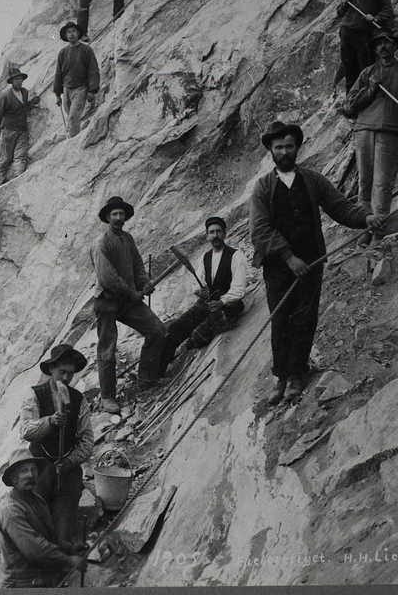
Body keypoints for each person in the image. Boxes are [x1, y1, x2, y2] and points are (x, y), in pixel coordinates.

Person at [249, 122, 385, 405]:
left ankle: (297, 374)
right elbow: (259, 230)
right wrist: (288, 257)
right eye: (278, 147)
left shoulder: (312, 179)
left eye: (289, 146)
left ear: (297, 147)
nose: (284, 152)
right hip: (278, 266)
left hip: (311, 261)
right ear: (270, 152)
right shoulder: (263, 187)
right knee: (281, 318)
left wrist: (365, 219)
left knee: (305, 317)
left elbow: (340, 206)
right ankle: (281, 376)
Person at [341, 30, 398, 240]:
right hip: (364, 130)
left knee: (382, 182)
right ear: (374, 48)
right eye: (378, 43)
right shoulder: (367, 74)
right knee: (365, 181)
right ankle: (365, 228)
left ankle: (379, 230)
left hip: (389, 131)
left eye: (387, 42)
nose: (383, 47)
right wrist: (370, 90)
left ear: (395, 46)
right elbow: (352, 102)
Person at [90, 195, 166, 414]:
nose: (118, 218)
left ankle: (146, 381)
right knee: (108, 349)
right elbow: (107, 278)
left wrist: (145, 282)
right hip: (106, 301)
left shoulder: (128, 239)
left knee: (158, 330)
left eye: (121, 214)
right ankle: (107, 398)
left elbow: (137, 264)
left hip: (128, 300)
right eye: (114, 214)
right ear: (107, 217)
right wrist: (131, 292)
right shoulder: (101, 242)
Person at [20, 344, 94, 543]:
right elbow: (26, 431)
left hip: (65, 469)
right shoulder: (34, 394)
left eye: (70, 374)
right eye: (62, 372)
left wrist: (71, 461)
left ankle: (63, 548)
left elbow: (87, 440)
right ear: (51, 369)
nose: (66, 378)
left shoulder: (79, 399)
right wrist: (50, 421)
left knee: (63, 531)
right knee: (36, 522)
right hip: (38, 466)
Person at [159, 216, 250, 375]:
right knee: (174, 328)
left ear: (224, 234)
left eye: (218, 232)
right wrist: (199, 291)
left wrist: (222, 302)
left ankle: (192, 342)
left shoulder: (236, 256)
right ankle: (158, 372)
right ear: (207, 235)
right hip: (205, 305)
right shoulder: (205, 257)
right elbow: (197, 283)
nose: (215, 235)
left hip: (228, 307)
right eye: (212, 232)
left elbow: (239, 288)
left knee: (197, 336)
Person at [0, 448, 87, 588]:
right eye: (24, 471)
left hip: (40, 580)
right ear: (14, 479)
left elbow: (49, 538)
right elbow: (35, 550)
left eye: (34, 470)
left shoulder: (37, 500)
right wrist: (69, 561)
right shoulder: (10, 510)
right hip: (20, 585)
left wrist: (69, 548)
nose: (30, 475)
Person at [335, 0, 395, 93]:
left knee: (366, 68)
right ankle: (352, 100)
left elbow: (388, 11)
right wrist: (343, 4)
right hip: (347, 31)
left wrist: (375, 18)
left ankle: (367, 98)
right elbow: (339, 12)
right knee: (349, 68)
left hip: (365, 32)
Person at [52, 22, 100, 139]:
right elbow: (59, 73)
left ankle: (72, 144)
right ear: (66, 35)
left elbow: (93, 70)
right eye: (69, 32)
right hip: (66, 89)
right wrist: (58, 94)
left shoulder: (86, 50)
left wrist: (92, 90)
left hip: (80, 88)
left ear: (78, 33)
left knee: (73, 116)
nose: (72, 34)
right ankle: (76, 136)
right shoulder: (63, 53)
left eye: (73, 31)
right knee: (71, 117)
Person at [0, 66, 32, 187]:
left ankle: (18, 185)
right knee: (4, 160)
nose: (19, 81)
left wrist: (31, 103)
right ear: (12, 81)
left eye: (20, 79)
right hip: (8, 131)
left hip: (22, 130)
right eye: (16, 79)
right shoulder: (4, 96)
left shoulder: (24, 93)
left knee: (20, 158)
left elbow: (22, 108)